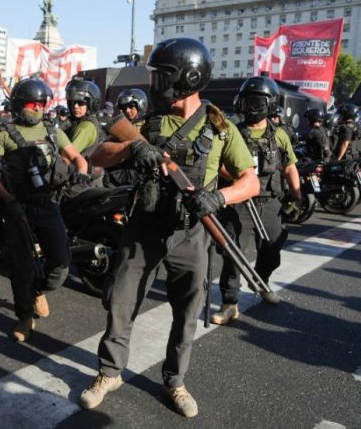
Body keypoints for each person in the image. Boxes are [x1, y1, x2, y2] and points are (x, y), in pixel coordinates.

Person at [79, 38, 260, 418]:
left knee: (188, 311)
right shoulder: (147, 120)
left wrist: (219, 198)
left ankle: (174, 381)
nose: (156, 82)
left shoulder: (221, 127)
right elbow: (97, 155)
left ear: (188, 78)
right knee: (121, 302)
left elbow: (250, 181)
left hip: (191, 232)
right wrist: (132, 149)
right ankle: (109, 373)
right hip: (143, 226)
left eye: (163, 75)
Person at [0, 77, 89, 342]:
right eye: (33, 103)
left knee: (61, 264)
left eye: (43, 103)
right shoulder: (4, 132)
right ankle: (24, 316)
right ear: (20, 104)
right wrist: (7, 198)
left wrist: (82, 172)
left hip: (48, 204)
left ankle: (36, 291)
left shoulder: (53, 130)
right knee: (21, 267)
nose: (39, 108)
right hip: (18, 208)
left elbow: (77, 157)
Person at [211, 76, 301, 326]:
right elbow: (217, 165)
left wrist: (298, 196)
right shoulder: (231, 132)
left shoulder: (279, 135)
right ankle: (230, 304)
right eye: (247, 99)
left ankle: (261, 282)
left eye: (255, 101)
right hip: (240, 202)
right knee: (233, 253)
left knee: (273, 250)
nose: (250, 105)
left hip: (270, 202)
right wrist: (239, 177)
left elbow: (290, 166)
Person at [102, 88, 148, 187]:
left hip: (137, 175)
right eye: (124, 107)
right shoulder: (122, 126)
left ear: (141, 106)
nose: (127, 110)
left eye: (131, 106)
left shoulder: (147, 126)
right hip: (121, 173)